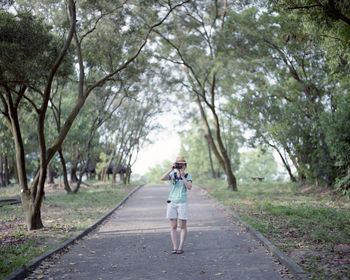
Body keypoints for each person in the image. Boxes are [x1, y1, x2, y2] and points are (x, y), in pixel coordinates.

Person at [160, 156, 192, 254]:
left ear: (185, 166)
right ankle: (174, 247)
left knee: (182, 226)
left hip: (182, 202)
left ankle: (180, 247)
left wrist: (182, 176)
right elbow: (162, 178)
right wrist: (171, 169)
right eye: (178, 164)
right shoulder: (172, 174)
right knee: (173, 226)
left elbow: (189, 187)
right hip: (172, 202)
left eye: (182, 164)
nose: (180, 166)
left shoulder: (187, 176)